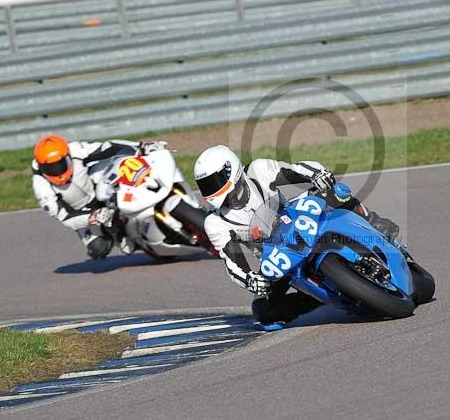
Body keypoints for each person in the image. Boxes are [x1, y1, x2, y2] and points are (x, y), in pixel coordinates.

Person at [193, 145, 400, 326]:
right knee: (264, 312)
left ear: (232, 170)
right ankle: (319, 299)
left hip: (296, 218)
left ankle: (373, 221)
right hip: (275, 256)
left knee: (333, 191)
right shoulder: (215, 223)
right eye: (205, 186)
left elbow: (295, 170)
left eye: (214, 181)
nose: (211, 190)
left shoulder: (257, 170)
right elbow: (232, 263)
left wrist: (317, 174)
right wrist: (250, 279)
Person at [31, 134, 168, 260]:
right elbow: (65, 218)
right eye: (50, 168)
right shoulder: (41, 188)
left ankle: (152, 185)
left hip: (97, 185)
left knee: (121, 161)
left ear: (67, 156)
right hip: (83, 213)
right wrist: (92, 217)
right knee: (98, 249)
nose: (57, 170)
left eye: (59, 164)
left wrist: (141, 146)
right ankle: (128, 239)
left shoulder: (75, 149)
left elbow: (106, 147)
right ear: (42, 167)